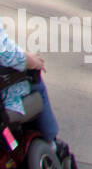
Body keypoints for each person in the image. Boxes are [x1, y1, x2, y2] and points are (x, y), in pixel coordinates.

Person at [0, 24, 67, 157]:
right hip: (3, 108)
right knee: (35, 81)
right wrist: (33, 61)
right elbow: (7, 54)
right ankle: (51, 142)